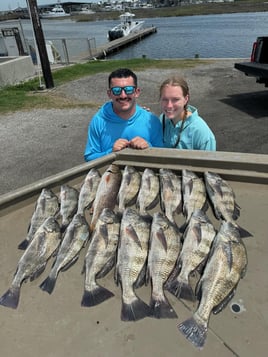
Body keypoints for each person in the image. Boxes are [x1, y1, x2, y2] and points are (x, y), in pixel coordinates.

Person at [84, 68, 163, 161]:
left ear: (137, 92)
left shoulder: (151, 120)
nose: (123, 95)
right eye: (117, 90)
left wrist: (148, 147)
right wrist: (111, 152)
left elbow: (163, 155)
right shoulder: (98, 121)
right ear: (109, 94)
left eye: (128, 90)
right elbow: (89, 158)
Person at [159, 76, 216, 151]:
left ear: (186, 99)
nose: (169, 105)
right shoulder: (161, 120)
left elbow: (209, 161)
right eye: (165, 99)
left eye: (175, 99)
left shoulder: (201, 133)